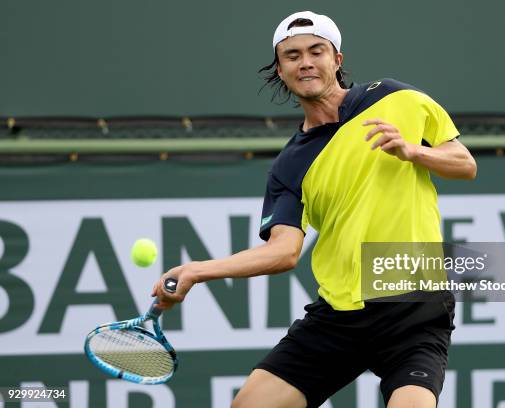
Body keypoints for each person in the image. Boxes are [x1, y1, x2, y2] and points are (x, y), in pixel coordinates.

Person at [151, 10, 477, 408]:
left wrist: (412, 151)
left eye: (316, 51)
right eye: (292, 55)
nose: (305, 62)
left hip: (412, 306)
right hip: (339, 314)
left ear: (336, 60)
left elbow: (465, 164)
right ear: (281, 71)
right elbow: (283, 252)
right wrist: (196, 270)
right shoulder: (289, 165)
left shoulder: (396, 98)